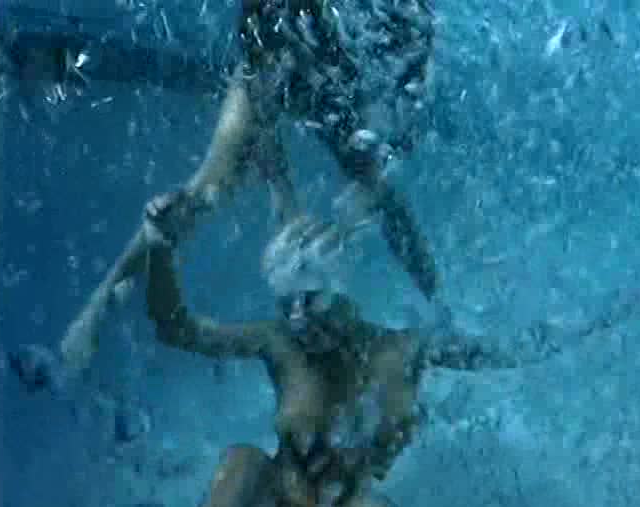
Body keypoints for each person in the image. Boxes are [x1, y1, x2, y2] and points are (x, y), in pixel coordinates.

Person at [60, 0, 442, 371]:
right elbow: (261, 130)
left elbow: (374, 183)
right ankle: (97, 307)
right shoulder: (265, 55)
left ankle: (438, 300)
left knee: (377, 191)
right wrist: (285, 205)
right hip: (284, 61)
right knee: (205, 190)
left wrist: (322, 220)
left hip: (331, 74)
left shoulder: (343, 59)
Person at [141, 192, 529, 507]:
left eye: (309, 301)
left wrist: (564, 334)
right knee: (239, 465)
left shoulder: (402, 351)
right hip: (277, 504)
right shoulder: (279, 343)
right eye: (286, 305)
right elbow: (176, 330)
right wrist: (160, 247)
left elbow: (505, 352)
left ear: (342, 290)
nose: (298, 319)